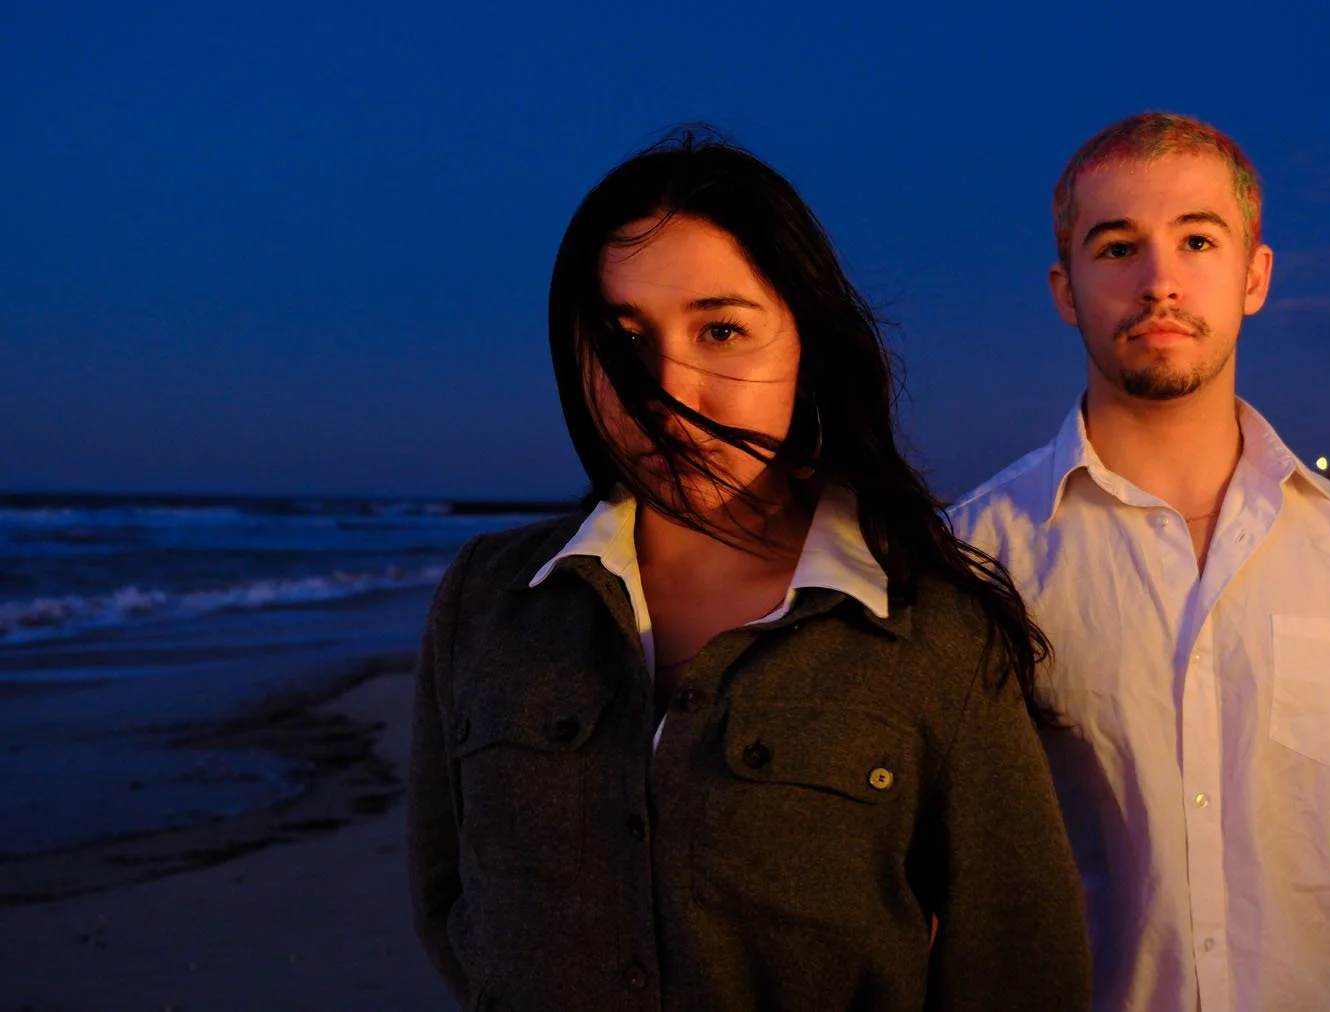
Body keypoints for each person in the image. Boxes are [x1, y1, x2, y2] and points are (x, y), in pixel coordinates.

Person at [407, 130, 1091, 1012]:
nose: (667, 389)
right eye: (621, 338)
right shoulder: (487, 601)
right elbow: (452, 907)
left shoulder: (934, 637)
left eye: (722, 330)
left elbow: (1019, 970)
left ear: (806, 346)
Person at [951, 112, 1330, 1011]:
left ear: (1254, 275)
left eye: (1197, 240)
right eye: (1117, 247)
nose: (1160, 280)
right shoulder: (973, 556)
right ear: (1065, 289)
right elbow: (931, 871)